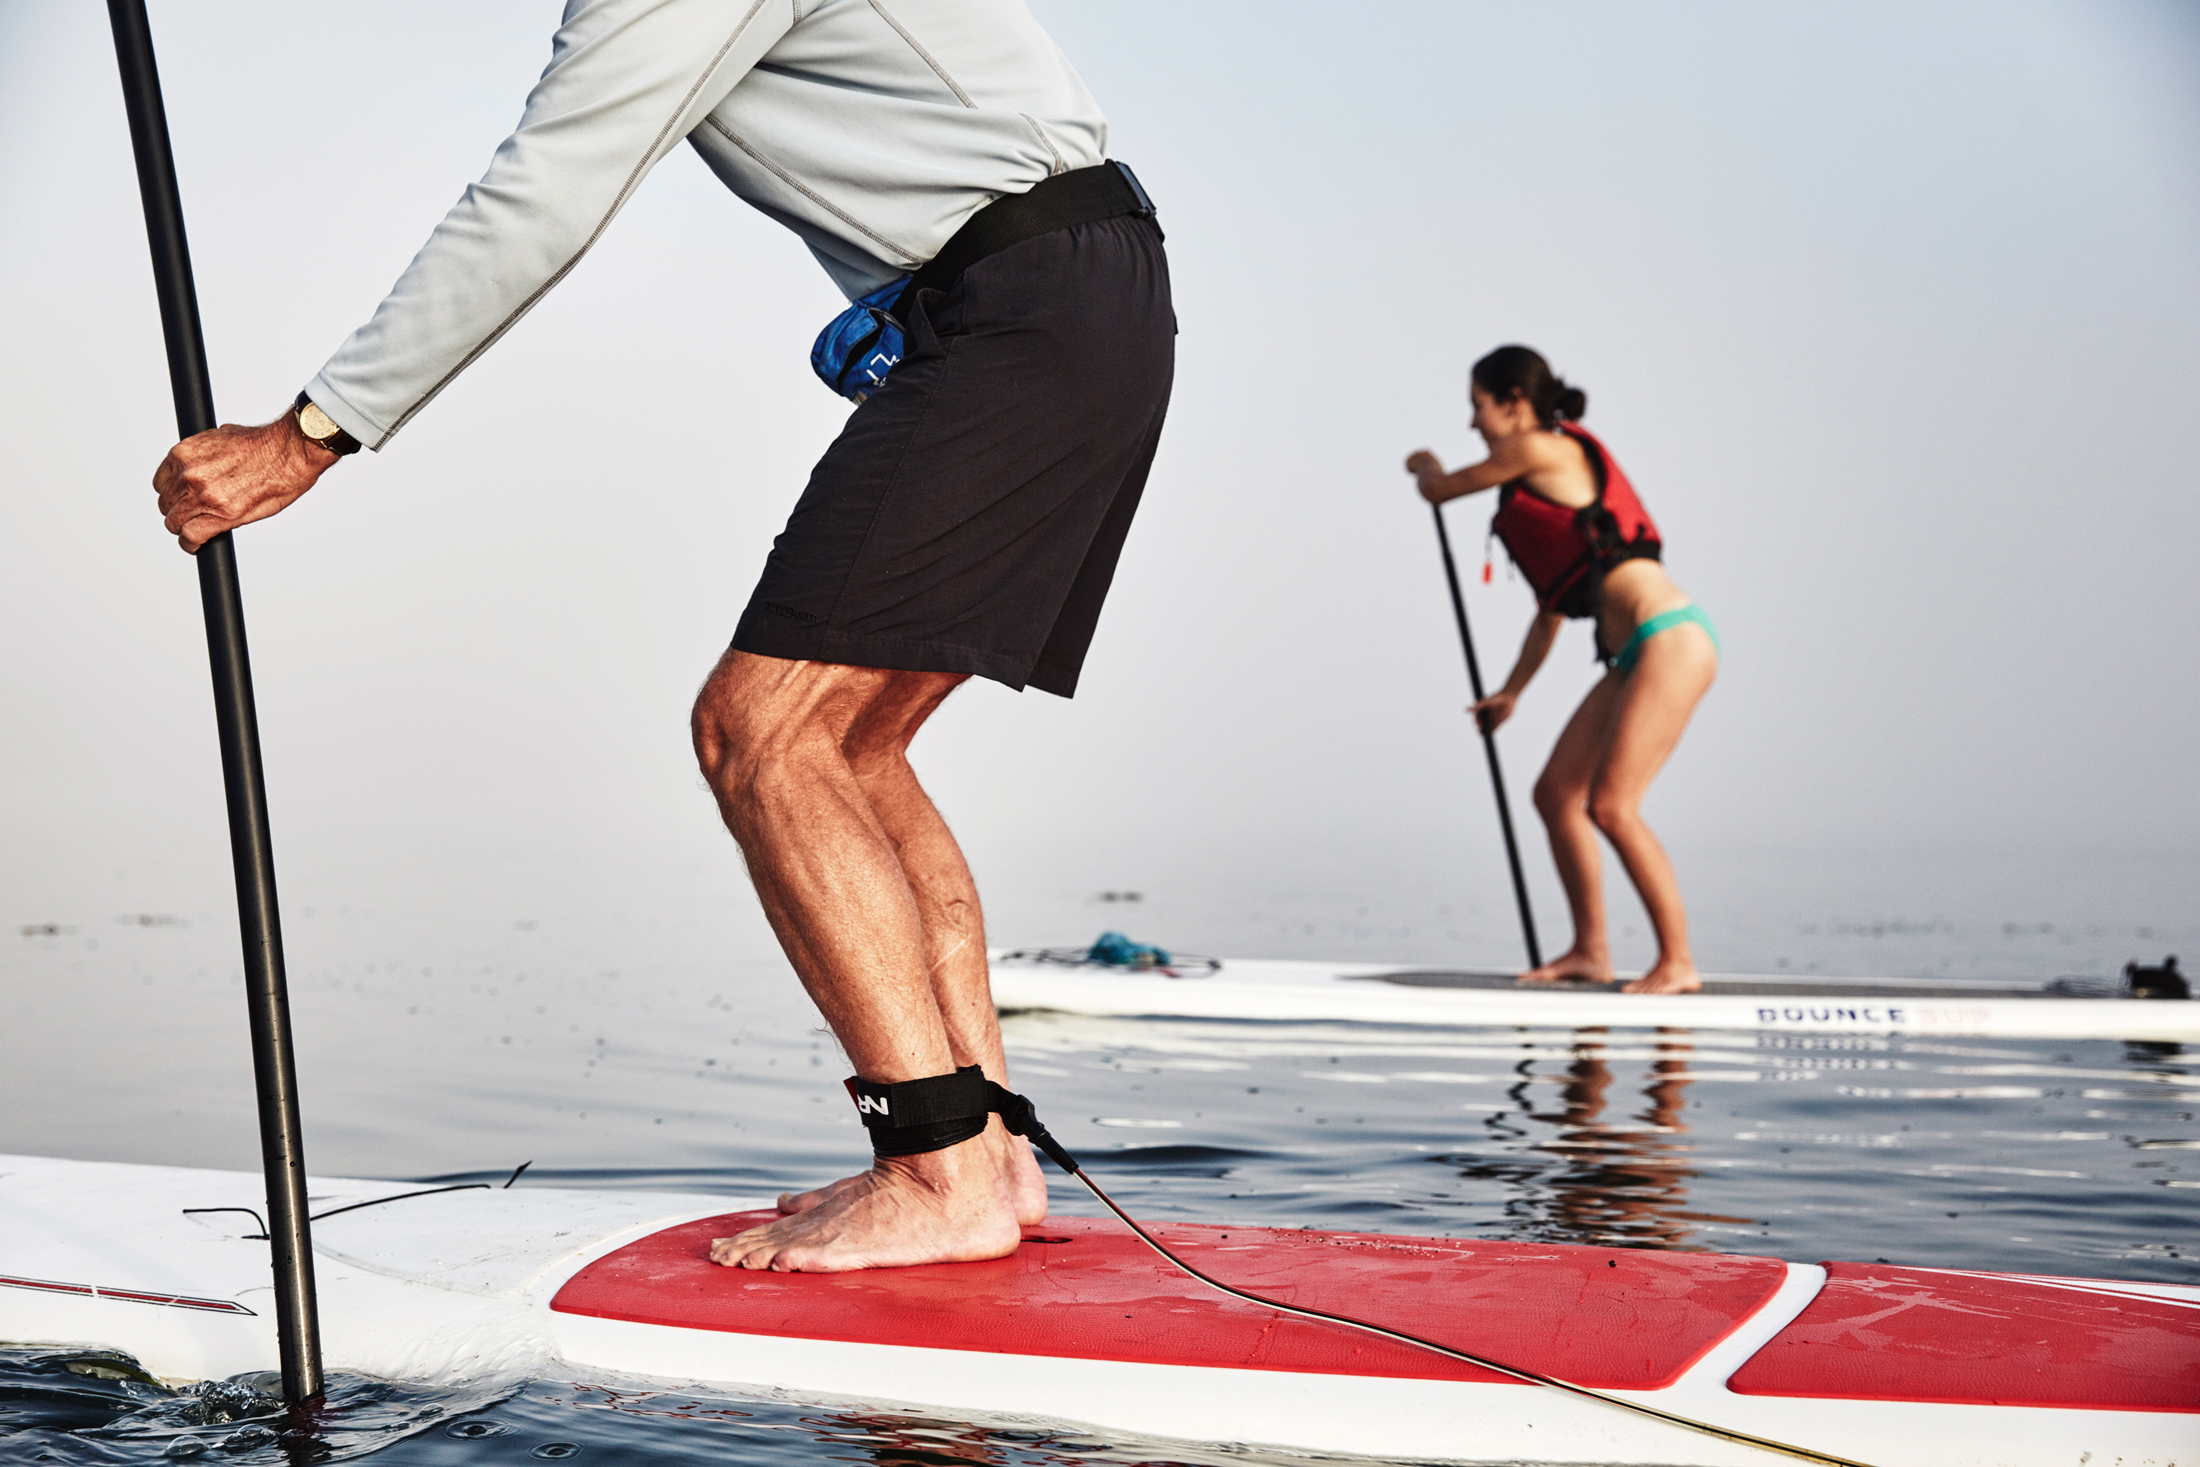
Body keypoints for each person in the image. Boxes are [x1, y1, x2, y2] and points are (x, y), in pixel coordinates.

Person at [148, 0, 1173, 1271]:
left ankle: (938, 1171)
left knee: (759, 731)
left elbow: (548, 194)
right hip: (1064, 293)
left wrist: (311, 433)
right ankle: (983, 1152)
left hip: (1026, 310)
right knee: (850, 745)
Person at [1405, 347, 1715, 995]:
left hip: (1671, 639)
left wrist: (1425, 468)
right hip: (1635, 656)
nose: (1473, 424)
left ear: (1515, 402)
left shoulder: (1539, 448)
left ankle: (1677, 960)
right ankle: (1589, 951)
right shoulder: (1547, 480)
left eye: (1477, 406)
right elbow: (1550, 613)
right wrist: (1511, 692)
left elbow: (1442, 489)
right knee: (1555, 794)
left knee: (1611, 805)